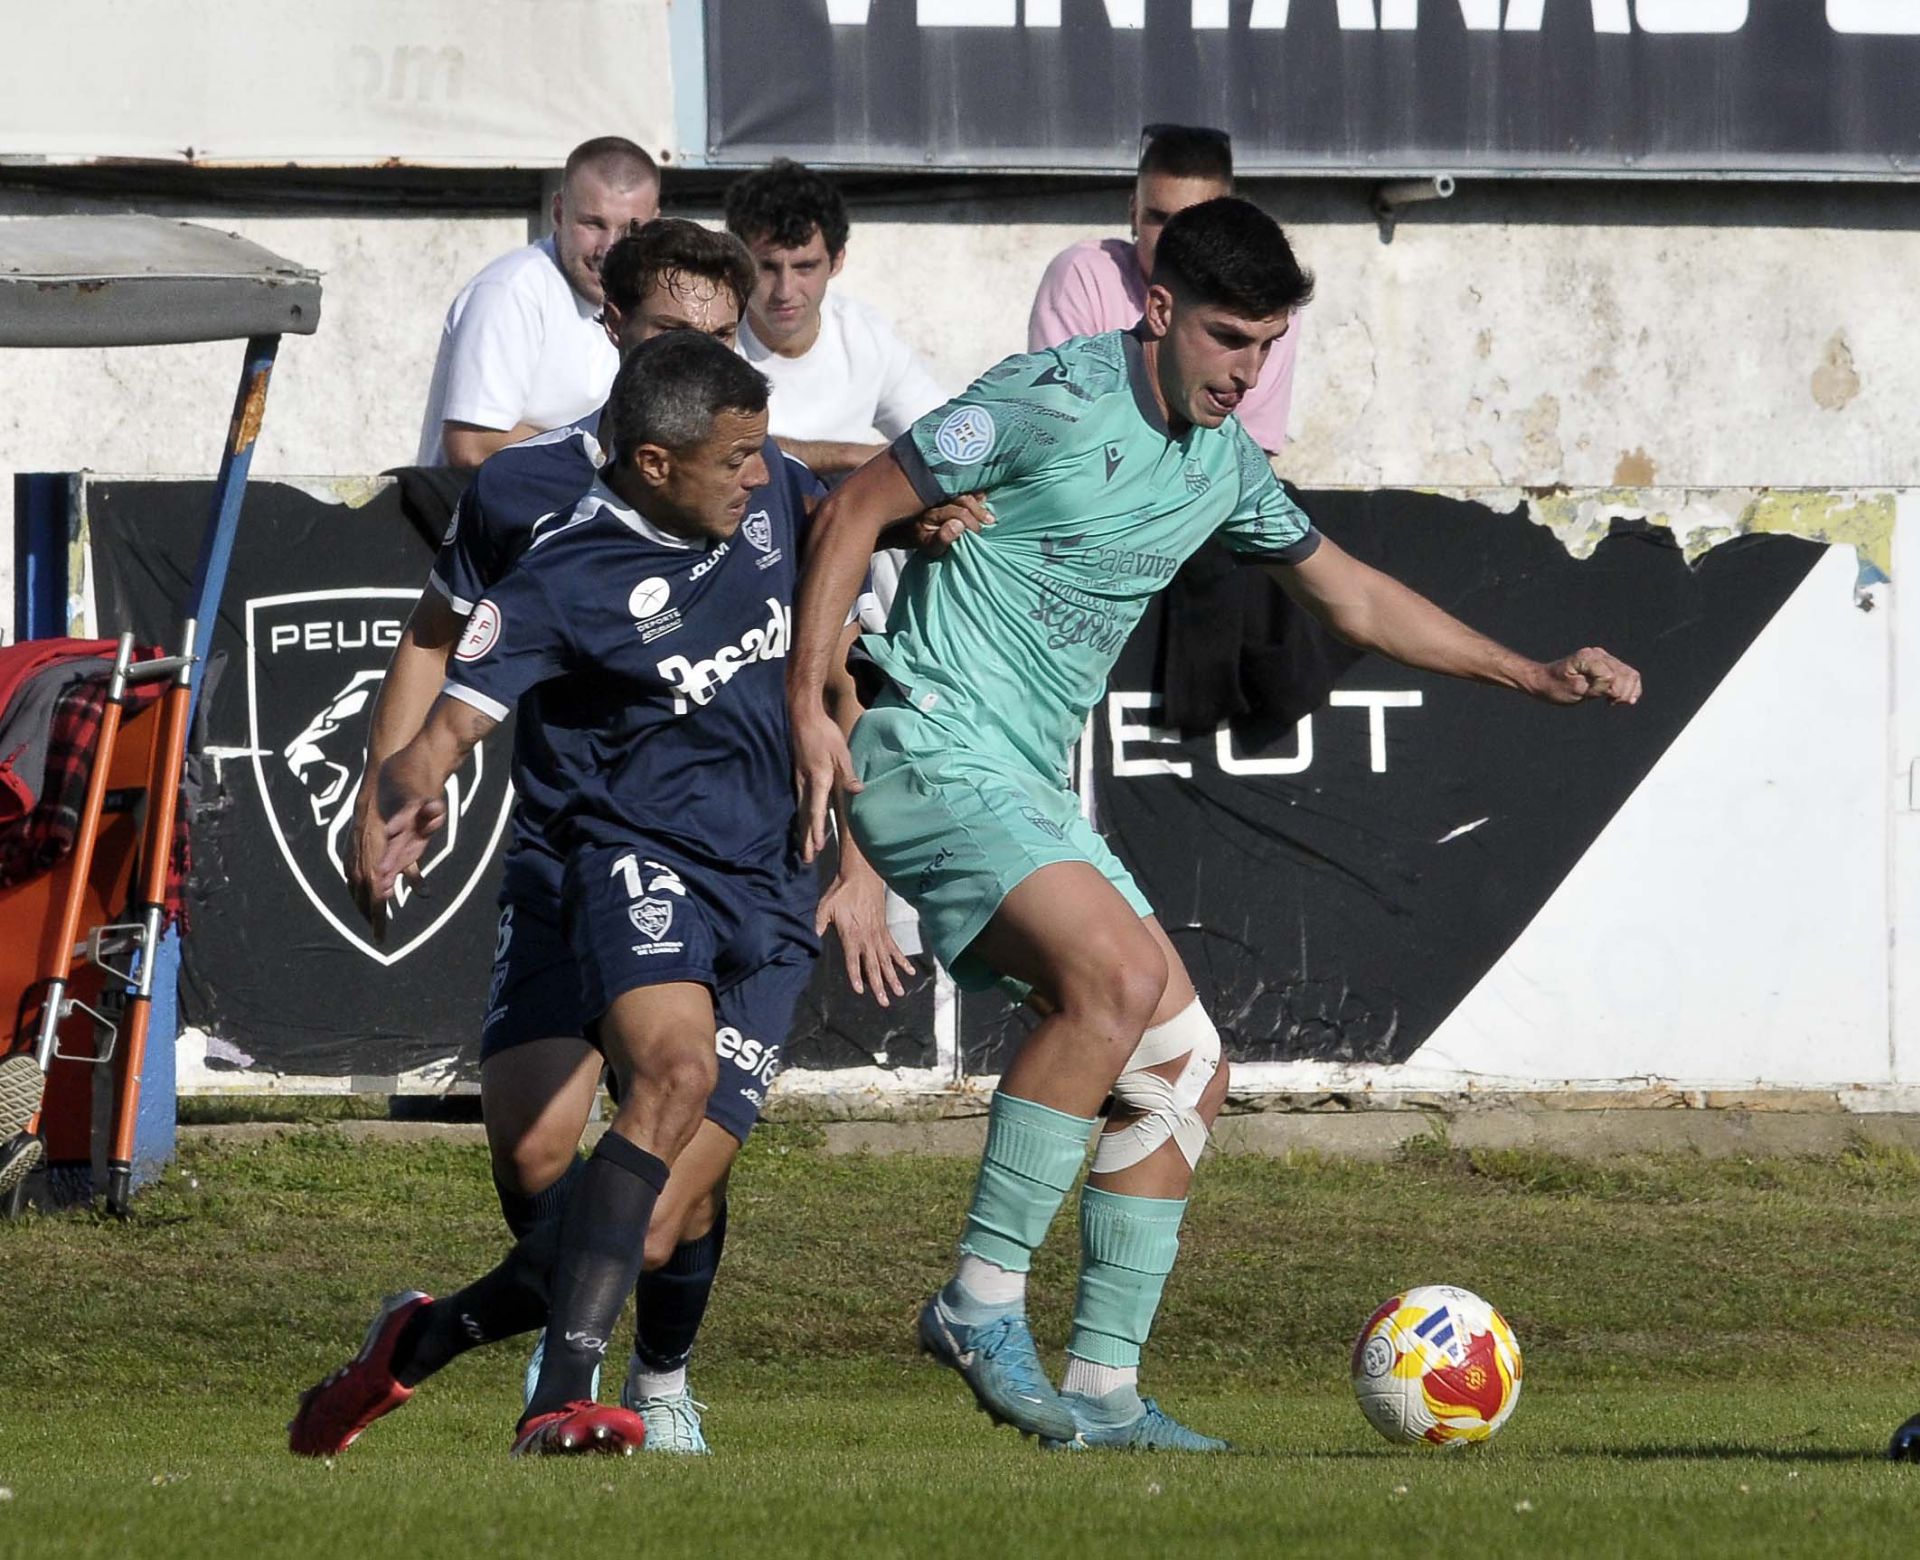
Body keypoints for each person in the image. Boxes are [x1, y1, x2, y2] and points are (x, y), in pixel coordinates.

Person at [785, 197, 1642, 1452]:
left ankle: (1103, 1390)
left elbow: (1349, 596)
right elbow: (856, 502)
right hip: (923, 739)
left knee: (1186, 1071)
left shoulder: (1227, 465)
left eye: (1268, 347)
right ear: (1161, 309)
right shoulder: (1044, 398)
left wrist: (1532, 674)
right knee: (1119, 976)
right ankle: (978, 1302)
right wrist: (813, 698)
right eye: (1228, 338)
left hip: (1019, 777)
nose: (1245, 371)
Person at [294, 332, 897, 1459]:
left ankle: (420, 1344)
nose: (761, 477)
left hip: (772, 885)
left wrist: (938, 509)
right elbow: (447, 726)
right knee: (671, 1073)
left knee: (654, 1227)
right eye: (736, 459)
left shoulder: (775, 498)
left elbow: (855, 546)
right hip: (641, 857)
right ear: (656, 464)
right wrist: (406, 794)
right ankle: (559, 1398)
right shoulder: (561, 572)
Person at [1029, 124, 1298, 456]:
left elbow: (1250, 454)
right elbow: (1060, 427)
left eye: (1194, 223)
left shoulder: (1267, 302)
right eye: (1158, 219)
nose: (1173, 238)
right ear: (1133, 212)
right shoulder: (1082, 274)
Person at [416, 137, 662, 468]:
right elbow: (473, 444)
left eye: (630, 229)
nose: (609, 248)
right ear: (559, 212)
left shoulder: (649, 300)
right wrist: (605, 459)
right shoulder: (512, 291)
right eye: (593, 224)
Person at [724, 158, 945, 478]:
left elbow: (941, 440)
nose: (785, 291)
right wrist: (850, 455)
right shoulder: (712, 335)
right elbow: (708, 445)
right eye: (767, 267)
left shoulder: (867, 338)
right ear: (738, 260)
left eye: (805, 267)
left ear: (837, 260)